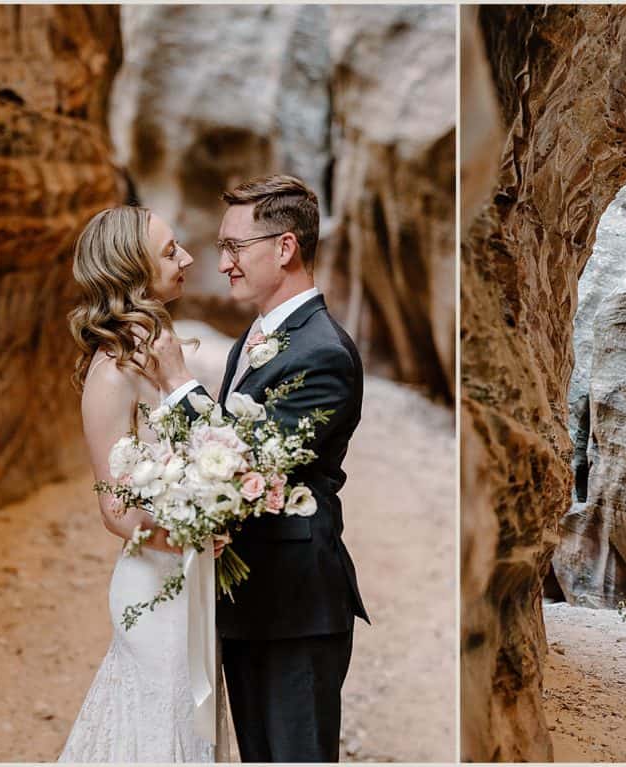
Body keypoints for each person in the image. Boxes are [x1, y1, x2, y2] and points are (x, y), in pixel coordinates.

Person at [151, 174, 370, 763]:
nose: (223, 263)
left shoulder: (322, 351)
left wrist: (176, 384)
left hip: (296, 604)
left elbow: (238, 465)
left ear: (284, 247)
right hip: (254, 600)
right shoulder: (259, 333)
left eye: (234, 247)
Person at [60, 205, 227, 761]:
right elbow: (115, 509)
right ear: (133, 271)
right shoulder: (111, 372)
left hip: (191, 577)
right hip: (155, 587)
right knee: (160, 727)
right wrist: (190, 535)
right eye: (170, 251)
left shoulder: (158, 354)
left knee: (191, 725)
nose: (187, 258)